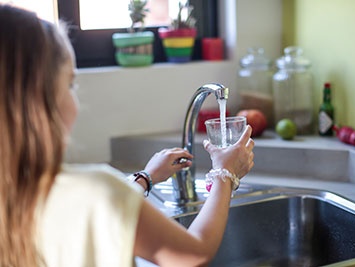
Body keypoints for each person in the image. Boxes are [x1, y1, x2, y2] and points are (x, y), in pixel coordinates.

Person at [0, 4, 255, 267]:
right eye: (70, 83)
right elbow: (194, 254)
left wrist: (144, 178)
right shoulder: (97, 190)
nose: (75, 96)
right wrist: (225, 174)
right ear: (38, 101)